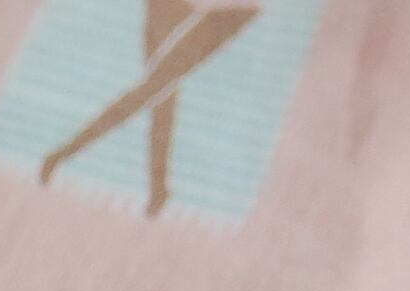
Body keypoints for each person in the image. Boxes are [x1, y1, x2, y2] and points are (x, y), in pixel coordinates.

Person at [38, 0, 261, 218]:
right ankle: (64, 155)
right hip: (179, 19)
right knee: (151, 100)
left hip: (190, 19)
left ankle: (155, 188)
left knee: (154, 102)